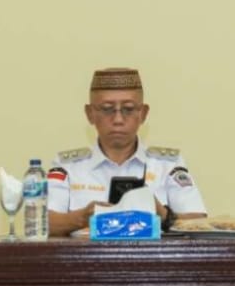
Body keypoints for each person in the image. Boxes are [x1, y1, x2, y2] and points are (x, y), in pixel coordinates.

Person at [47, 67, 207, 236]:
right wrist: (81, 218)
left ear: (143, 113)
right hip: (87, 253)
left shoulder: (166, 165)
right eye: (107, 109)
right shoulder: (68, 167)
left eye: (128, 109)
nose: (118, 119)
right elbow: (41, 223)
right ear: (90, 114)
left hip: (152, 253)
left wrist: (163, 215)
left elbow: (199, 223)